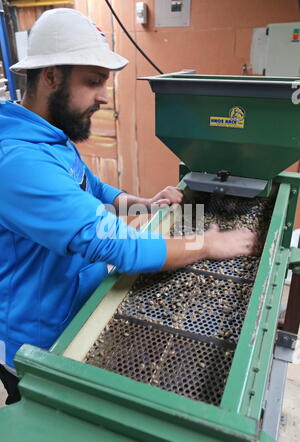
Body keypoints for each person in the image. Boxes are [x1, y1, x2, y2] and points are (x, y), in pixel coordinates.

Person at [0, 8, 256, 405]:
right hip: (40, 345)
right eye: (93, 82)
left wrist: (137, 202)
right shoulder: (18, 162)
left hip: (77, 306)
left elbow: (89, 184)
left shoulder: (49, 136)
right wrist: (207, 246)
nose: (104, 96)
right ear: (50, 76)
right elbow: (121, 247)